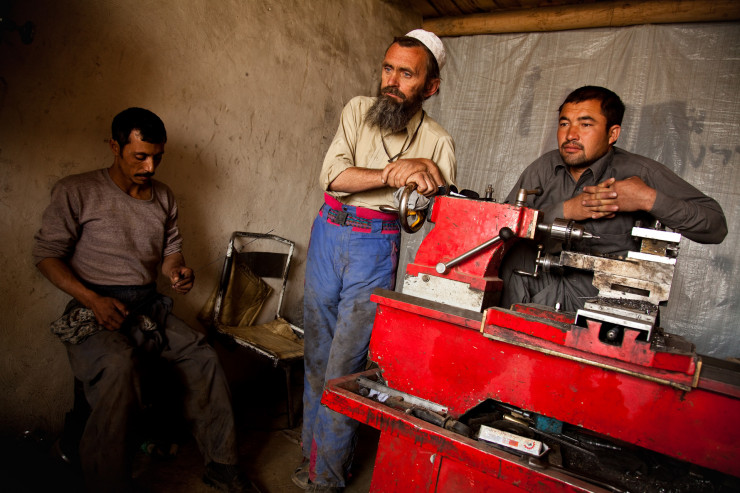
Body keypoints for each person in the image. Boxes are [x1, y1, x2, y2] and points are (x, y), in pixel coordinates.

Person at [33, 108, 259, 493]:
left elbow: (171, 251)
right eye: (140, 156)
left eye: (157, 157)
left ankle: (222, 464)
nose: (150, 167)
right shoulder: (77, 190)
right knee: (118, 366)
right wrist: (92, 299)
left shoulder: (163, 197)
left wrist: (176, 271)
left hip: (147, 308)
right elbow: (46, 255)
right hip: (93, 308)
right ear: (115, 146)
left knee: (202, 355)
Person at [297, 30, 457, 492]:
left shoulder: (438, 141)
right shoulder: (357, 110)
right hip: (328, 231)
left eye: (407, 74)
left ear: (430, 87)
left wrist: (430, 186)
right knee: (316, 355)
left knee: (344, 366)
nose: (392, 81)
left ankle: (326, 477)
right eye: (388, 68)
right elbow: (332, 176)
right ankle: (309, 455)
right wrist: (391, 174)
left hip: (375, 244)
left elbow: (433, 218)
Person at [500, 85, 727, 312]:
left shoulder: (641, 172)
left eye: (585, 124)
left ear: (613, 134)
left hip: (605, 317)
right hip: (531, 306)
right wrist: (567, 210)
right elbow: (498, 231)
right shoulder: (542, 169)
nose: (570, 135)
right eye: (564, 124)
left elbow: (716, 226)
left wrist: (647, 199)